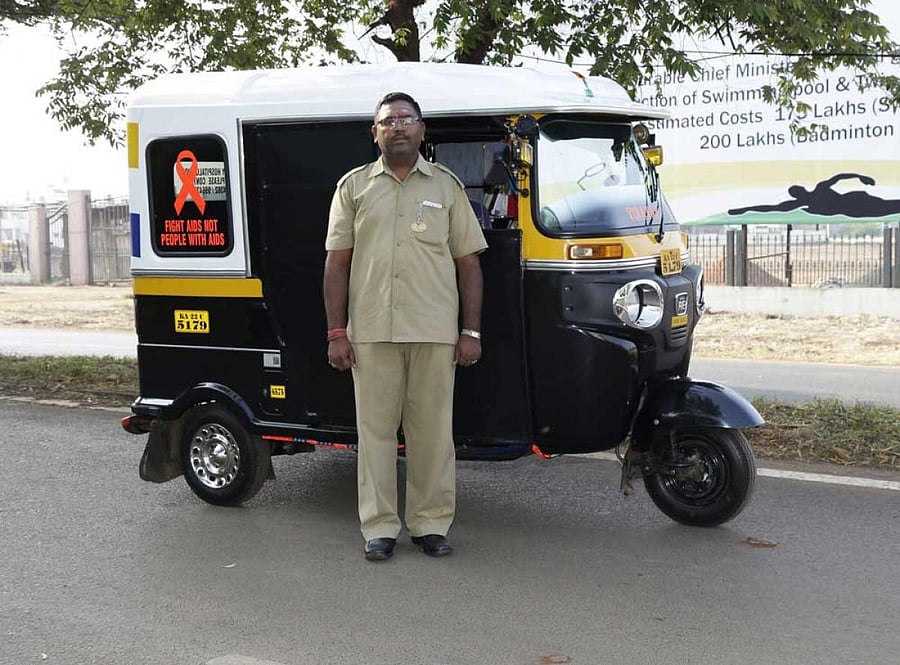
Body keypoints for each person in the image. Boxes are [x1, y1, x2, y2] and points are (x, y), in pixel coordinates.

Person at [323, 91, 488, 562]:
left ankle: (431, 524)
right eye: (387, 121)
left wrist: (470, 331)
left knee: (433, 434)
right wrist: (337, 332)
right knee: (373, 434)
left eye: (406, 119)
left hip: (435, 331)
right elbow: (337, 265)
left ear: (422, 129)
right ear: (374, 133)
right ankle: (378, 527)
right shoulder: (353, 188)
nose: (397, 127)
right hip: (371, 332)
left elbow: (469, 264)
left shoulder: (446, 187)